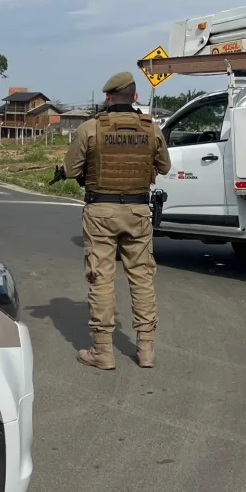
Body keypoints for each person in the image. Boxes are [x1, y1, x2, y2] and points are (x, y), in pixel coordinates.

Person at [63, 71, 171, 370]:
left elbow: (71, 170)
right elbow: (164, 166)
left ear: (108, 98)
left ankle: (102, 351)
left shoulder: (90, 128)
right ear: (135, 98)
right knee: (142, 278)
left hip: (101, 211)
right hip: (138, 211)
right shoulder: (152, 128)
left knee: (101, 278)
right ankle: (146, 349)